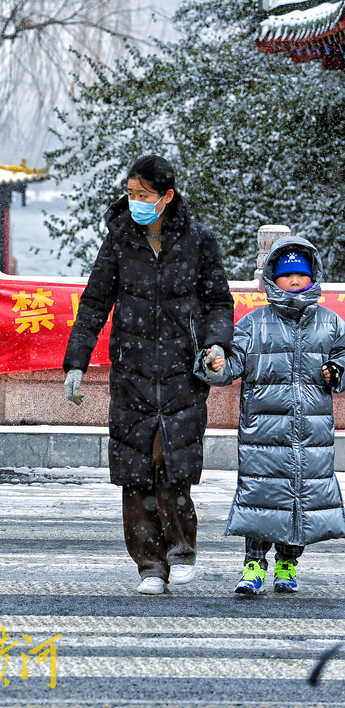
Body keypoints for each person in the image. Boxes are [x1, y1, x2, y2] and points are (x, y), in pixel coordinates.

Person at [63, 155, 234, 595]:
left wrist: (217, 343)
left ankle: (180, 550)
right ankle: (149, 565)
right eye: (131, 193)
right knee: (134, 470)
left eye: (143, 194)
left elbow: (219, 301)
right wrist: (76, 362)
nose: (135, 201)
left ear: (167, 196)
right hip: (132, 372)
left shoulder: (199, 241)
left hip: (182, 372)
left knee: (170, 463)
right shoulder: (120, 240)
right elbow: (94, 303)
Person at [200, 237, 345, 594]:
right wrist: (214, 363)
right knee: (261, 498)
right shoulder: (254, 323)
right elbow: (230, 364)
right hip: (263, 432)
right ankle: (253, 565)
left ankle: (287, 564)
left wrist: (336, 371)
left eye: (301, 274)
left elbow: (344, 358)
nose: (294, 281)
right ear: (272, 279)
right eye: (286, 275)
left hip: (311, 433)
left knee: (300, 498)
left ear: (313, 277)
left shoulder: (330, 323)